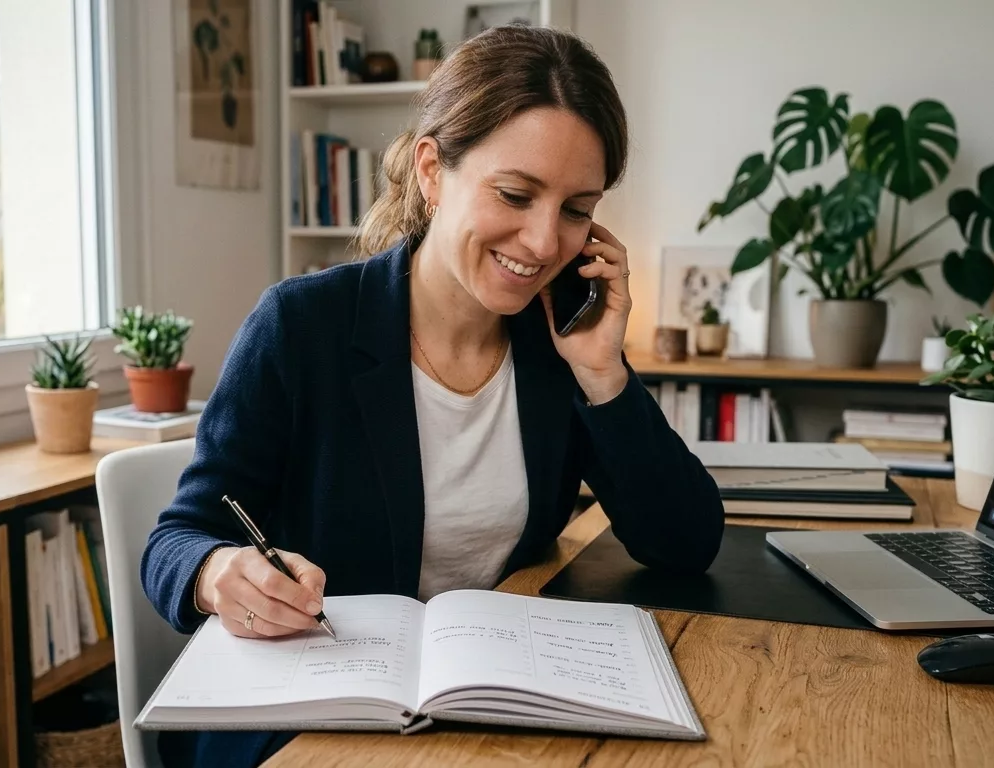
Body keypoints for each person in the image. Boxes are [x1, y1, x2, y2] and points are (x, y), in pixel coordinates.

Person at [140, 24, 724, 768]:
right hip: (309, 720)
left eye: (577, 209)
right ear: (432, 171)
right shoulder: (300, 326)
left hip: (486, 712)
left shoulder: (555, 346)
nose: (546, 243)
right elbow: (176, 539)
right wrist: (215, 573)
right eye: (516, 194)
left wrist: (604, 373)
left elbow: (685, 544)